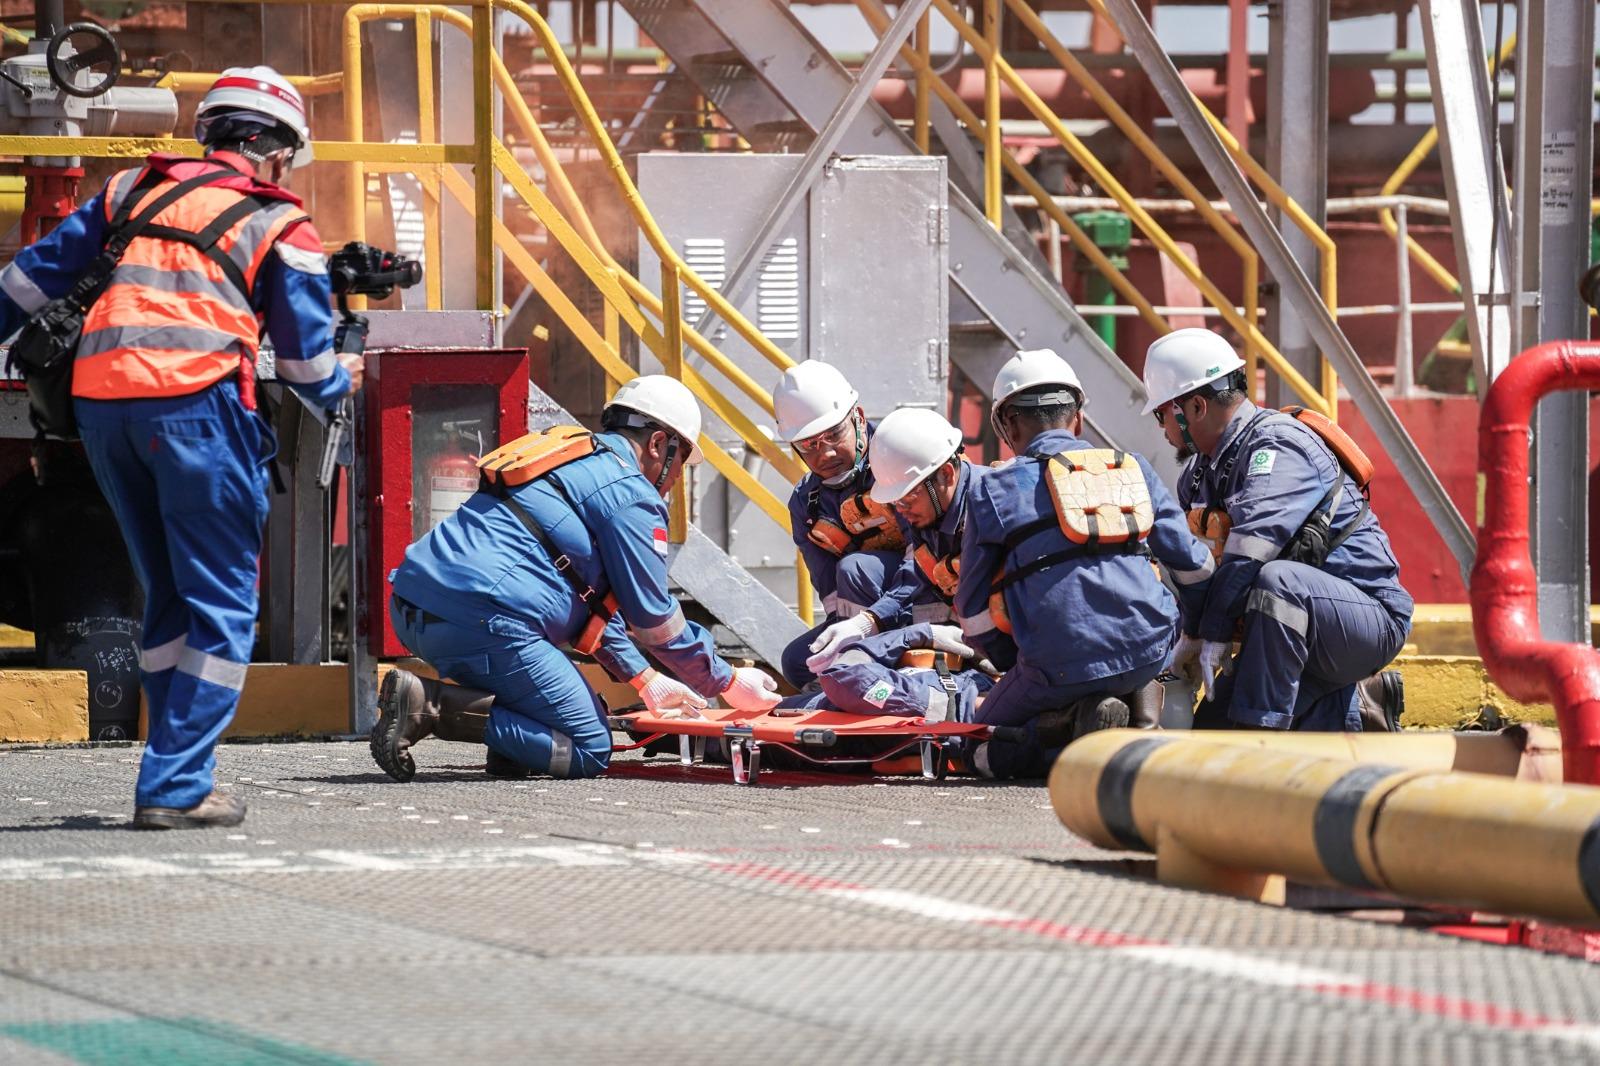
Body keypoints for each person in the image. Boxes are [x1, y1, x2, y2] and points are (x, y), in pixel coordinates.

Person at [0, 67, 358, 829]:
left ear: (212, 133)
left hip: (101, 411)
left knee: (166, 598)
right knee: (224, 607)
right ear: (277, 151)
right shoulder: (276, 220)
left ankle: (175, 761)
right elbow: (302, 369)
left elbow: (28, 282)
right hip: (196, 412)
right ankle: (176, 784)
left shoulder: (130, 189)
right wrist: (342, 375)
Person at [373, 375, 782, 782]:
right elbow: (654, 620)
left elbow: (591, 605)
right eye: (680, 461)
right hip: (485, 623)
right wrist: (725, 679)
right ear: (658, 444)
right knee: (589, 746)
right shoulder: (631, 493)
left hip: (412, 609)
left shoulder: (569, 459)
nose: (677, 479)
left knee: (558, 699)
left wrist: (646, 679)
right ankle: (428, 707)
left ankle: (513, 748)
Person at [955, 349, 1215, 778]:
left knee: (980, 736)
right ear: (1077, 418)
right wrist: (1194, 633)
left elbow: (971, 609)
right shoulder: (1134, 469)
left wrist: (1012, 660)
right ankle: (1133, 717)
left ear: (1008, 425)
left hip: (1057, 666)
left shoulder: (991, 490)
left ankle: (1071, 728)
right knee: (1126, 653)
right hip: (1150, 651)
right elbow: (1194, 566)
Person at [1140, 327, 1412, 731]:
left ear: (1194, 407)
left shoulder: (1279, 447)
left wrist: (1214, 633)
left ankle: (1263, 741)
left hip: (1365, 619)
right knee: (1215, 734)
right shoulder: (1198, 478)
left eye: (1163, 414)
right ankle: (1362, 704)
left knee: (1277, 581)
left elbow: (1253, 548)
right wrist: (1192, 635)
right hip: (1285, 631)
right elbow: (1198, 568)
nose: (1162, 429)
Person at [804, 408, 976, 683]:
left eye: (907, 499)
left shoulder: (986, 514)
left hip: (991, 652)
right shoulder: (927, 509)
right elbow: (916, 572)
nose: (901, 511)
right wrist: (865, 623)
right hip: (946, 630)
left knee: (862, 686)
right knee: (803, 665)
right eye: (808, 444)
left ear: (946, 474)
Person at [775, 361, 908, 687]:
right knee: (797, 662)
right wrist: (840, 633)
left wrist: (871, 620)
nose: (826, 453)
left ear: (858, 418)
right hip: (862, 621)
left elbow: (931, 556)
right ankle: (851, 672)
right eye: (809, 445)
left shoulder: (903, 456)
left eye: (834, 434)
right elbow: (832, 595)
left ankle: (863, 673)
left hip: (924, 600)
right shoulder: (807, 504)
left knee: (857, 568)